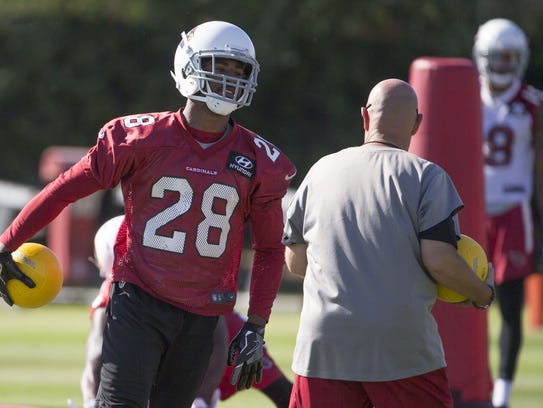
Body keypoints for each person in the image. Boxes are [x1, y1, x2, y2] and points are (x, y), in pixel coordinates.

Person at [0, 20, 296, 407]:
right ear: (188, 66)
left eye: (238, 71)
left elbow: (271, 249)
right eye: (218, 66)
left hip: (205, 315)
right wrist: (7, 241)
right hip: (139, 301)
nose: (229, 79)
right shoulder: (142, 138)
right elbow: (63, 191)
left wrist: (256, 324)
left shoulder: (259, 159)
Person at [281, 78, 495, 408]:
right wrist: (482, 293)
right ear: (417, 124)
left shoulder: (320, 170)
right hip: (402, 348)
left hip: (323, 346)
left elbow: (296, 262)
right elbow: (439, 260)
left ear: (365, 118)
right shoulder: (428, 176)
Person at [81, 216, 292, 408]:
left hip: (214, 337)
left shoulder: (123, 286)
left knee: (284, 393)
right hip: (196, 337)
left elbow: (217, 340)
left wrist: (202, 398)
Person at [472, 18, 543, 408]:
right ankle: (467, 381)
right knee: (460, 300)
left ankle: (502, 396)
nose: (501, 65)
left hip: (514, 210)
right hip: (470, 210)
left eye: (508, 58)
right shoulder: (465, 97)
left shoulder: (532, 104)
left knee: (511, 308)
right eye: (495, 57)